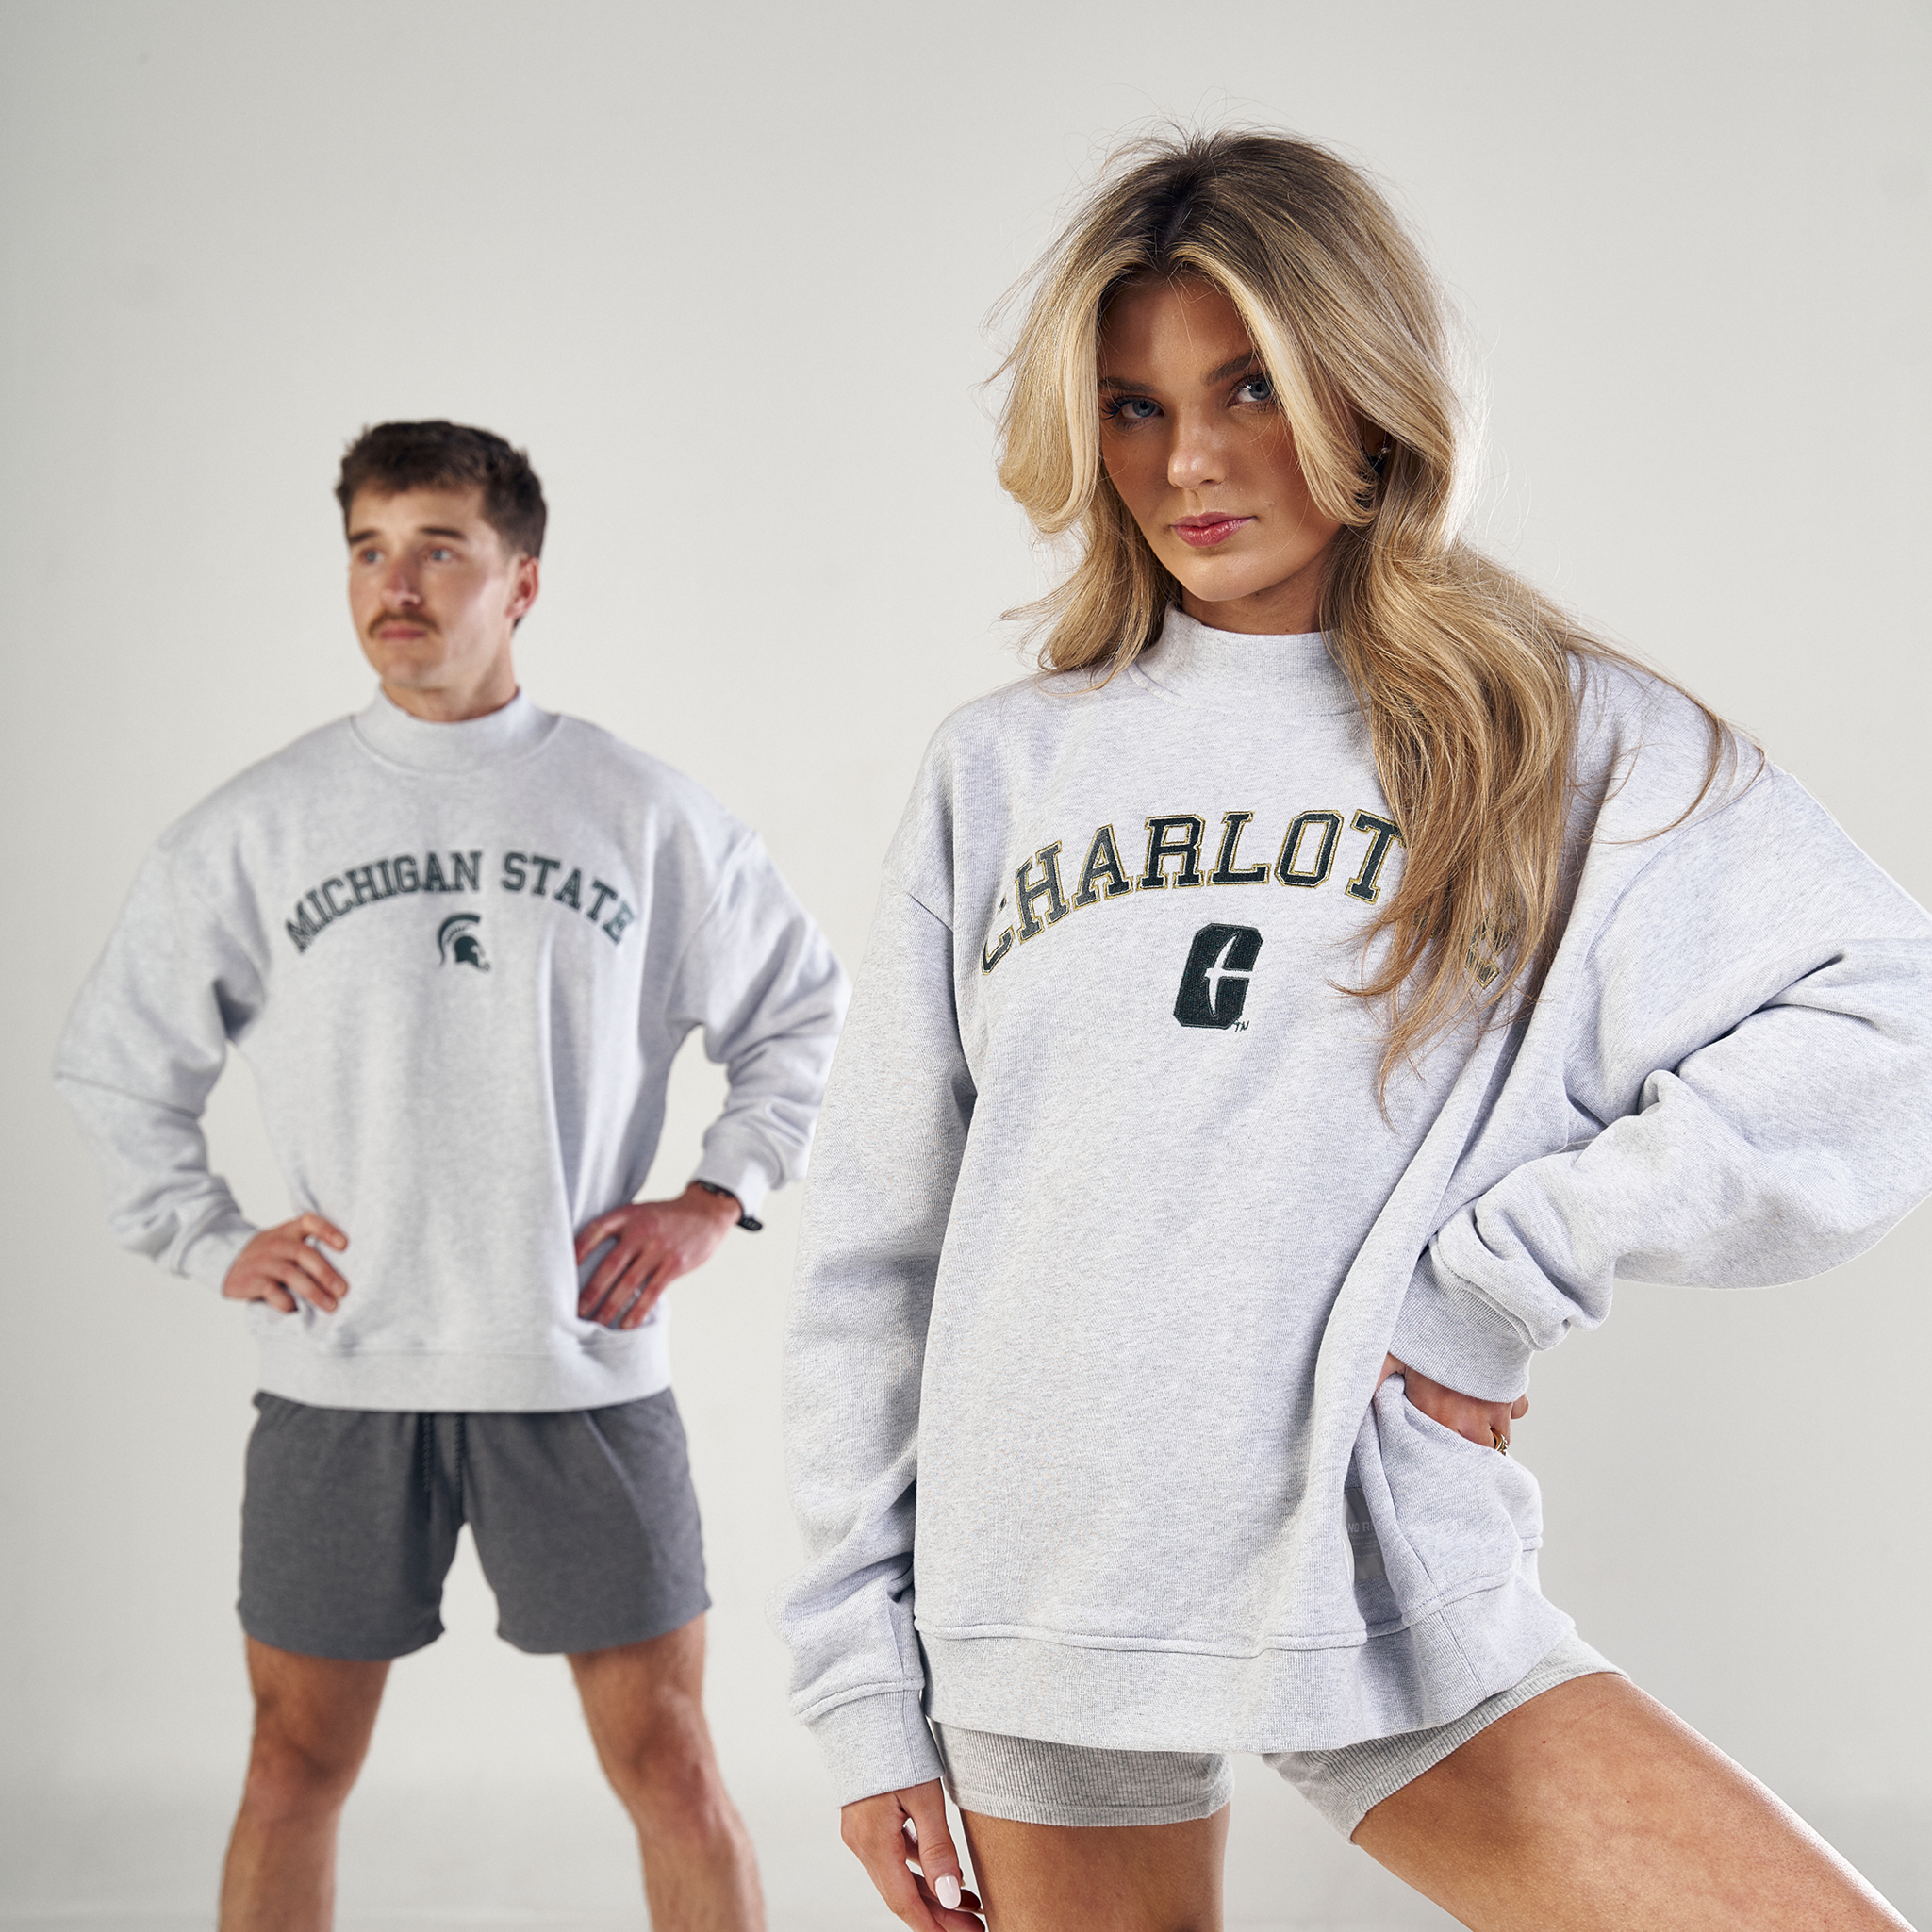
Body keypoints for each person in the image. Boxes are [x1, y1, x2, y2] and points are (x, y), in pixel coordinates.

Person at [775, 132, 1931, 1931]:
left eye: (1252, 383)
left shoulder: (1553, 737)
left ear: (1363, 385)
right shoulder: (1002, 769)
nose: (1197, 458)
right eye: (1134, 406)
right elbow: (874, 1250)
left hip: (1372, 1546)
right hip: (1031, 1587)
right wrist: (862, 1691)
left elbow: (1882, 1013)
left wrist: (1504, 1272)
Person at [56, 421, 847, 1932]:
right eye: (367, 548)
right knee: (290, 1766)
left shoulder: (641, 812)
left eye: (438, 548)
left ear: (523, 582)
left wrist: (716, 1193)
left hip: (582, 1366)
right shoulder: (256, 826)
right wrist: (200, 1230)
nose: (394, 583)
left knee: (670, 1762)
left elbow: (807, 1009)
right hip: (342, 1372)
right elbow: (116, 1059)